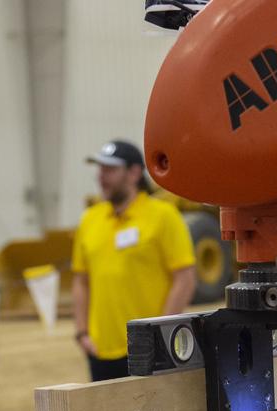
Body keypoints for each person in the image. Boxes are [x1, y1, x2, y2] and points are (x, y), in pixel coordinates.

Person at [72, 139, 196, 381]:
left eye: (110, 169)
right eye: (100, 170)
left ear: (134, 172)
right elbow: (80, 281)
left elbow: (185, 278)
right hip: (100, 351)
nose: (101, 177)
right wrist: (82, 333)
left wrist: (160, 336)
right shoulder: (90, 219)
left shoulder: (163, 216)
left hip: (148, 351)